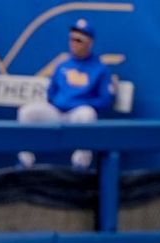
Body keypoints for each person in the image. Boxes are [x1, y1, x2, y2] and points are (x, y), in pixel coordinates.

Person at [16, 18, 114, 170]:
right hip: (57, 112)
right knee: (27, 112)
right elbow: (51, 92)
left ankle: (80, 166)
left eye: (78, 40)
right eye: (71, 39)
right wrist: (58, 102)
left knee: (88, 115)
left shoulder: (100, 69)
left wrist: (78, 103)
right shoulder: (63, 65)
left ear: (89, 43)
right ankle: (26, 163)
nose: (73, 43)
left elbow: (105, 100)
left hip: (77, 114)